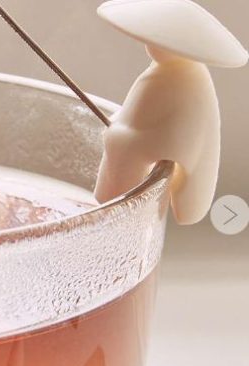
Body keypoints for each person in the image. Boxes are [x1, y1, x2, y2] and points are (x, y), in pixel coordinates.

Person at [94, 0, 248, 224]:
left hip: (137, 152)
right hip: (129, 145)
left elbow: (181, 136)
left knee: (122, 205)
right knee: (113, 174)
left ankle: (114, 219)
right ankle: (103, 214)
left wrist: (128, 138)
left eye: (157, 42)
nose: (150, 47)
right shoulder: (161, 73)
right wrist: (120, 125)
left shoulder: (188, 82)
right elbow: (136, 112)